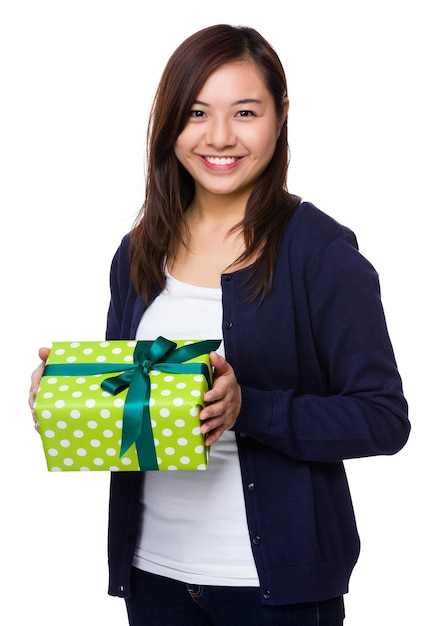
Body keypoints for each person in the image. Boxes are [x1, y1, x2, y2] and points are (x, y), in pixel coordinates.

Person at [29, 23, 410, 626]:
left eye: (245, 112)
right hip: (153, 576)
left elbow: (385, 419)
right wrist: (73, 392)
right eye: (198, 112)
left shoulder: (322, 253)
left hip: (274, 592)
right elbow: (138, 411)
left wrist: (245, 408)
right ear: (171, 123)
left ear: (281, 116)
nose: (220, 136)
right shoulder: (137, 253)